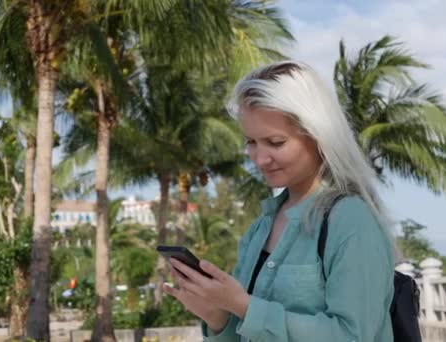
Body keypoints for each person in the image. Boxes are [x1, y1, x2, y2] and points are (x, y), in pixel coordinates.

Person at [162, 60, 396, 341]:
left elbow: (353, 336)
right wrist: (218, 316)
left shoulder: (351, 220)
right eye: (251, 142)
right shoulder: (261, 227)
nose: (260, 159)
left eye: (275, 142)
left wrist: (242, 305)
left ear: (318, 136)